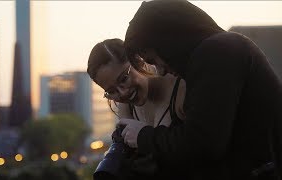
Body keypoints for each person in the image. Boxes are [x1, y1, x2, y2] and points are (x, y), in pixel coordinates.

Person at [120, 0, 282, 179]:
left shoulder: (216, 52)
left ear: (167, 41)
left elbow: (202, 143)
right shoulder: (219, 50)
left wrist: (143, 136)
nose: (162, 70)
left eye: (154, 60)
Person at [87, 38, 186, 179]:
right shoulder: (126, 105)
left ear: (138, 60)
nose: (123, 93)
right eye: (112, 91)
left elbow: (202, 146)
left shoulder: (180, 88)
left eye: (123, 79)